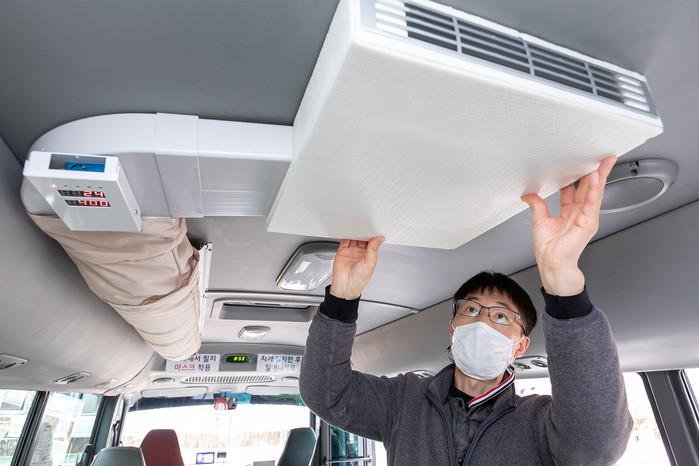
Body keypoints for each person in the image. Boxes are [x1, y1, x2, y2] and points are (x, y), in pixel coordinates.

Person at [299, 156, 633, 465]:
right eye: (471, 309)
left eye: (501, 316)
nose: (482, 320)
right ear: (453, 328)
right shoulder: (402, 400)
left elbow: (596, 445)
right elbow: (327, 395)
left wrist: (563, 280)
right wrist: (342, 297)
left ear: (520, 346)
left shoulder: (539, 423)